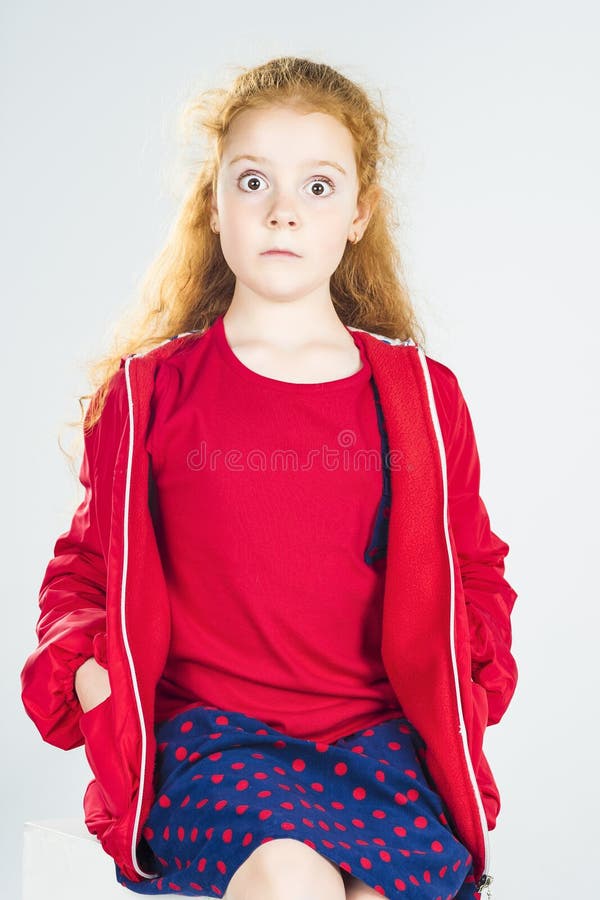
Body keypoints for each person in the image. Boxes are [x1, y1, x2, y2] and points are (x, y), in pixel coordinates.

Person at [20, 56, 518, 900]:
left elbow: (472, 567)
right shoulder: (153, 396)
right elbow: (85, 570)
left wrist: (462, 672)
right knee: (291, 878)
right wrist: (85, 670)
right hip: (211, 745)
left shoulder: (420, 400)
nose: (283, 211)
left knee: (376, 891)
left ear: (358, 214)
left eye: (318, 187)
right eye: (254, 181)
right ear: (215, 206)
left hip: (377, 748)